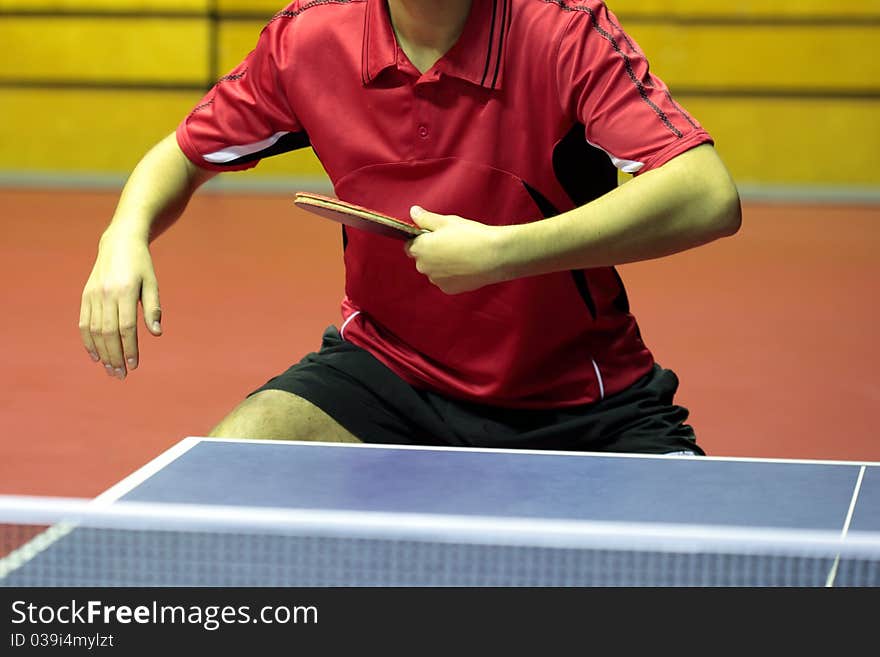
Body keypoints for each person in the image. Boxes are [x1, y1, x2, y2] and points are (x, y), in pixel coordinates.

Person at [79, 0, 741, 454]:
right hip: (386, 374)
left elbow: (707, 193)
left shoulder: (561, 30)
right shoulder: (309, 40)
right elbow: (183, 154)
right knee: (226, 476)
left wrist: (504, 253)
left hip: (583, 403)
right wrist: (123, 234)